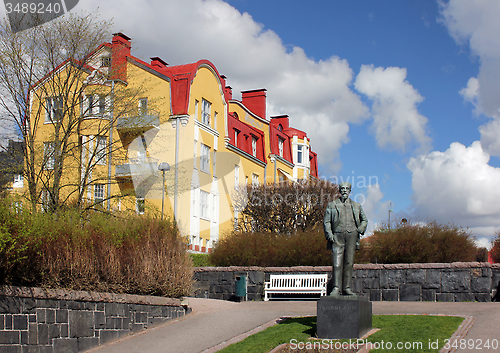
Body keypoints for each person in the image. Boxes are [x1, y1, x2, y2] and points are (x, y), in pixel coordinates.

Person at [323, 182, 368, 296]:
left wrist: (360, 229)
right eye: (342, 188)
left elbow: (364, 220)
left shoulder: (356, 206)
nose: (344, 190)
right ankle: (336, 288)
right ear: (339, 190)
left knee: (349, 263)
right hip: (337, 236)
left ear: (350, 191)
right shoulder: (332, 205)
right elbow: (327, 221)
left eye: (346, 188)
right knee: (336, 264)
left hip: (352, 235)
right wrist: (330, 235)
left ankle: (347, 288)